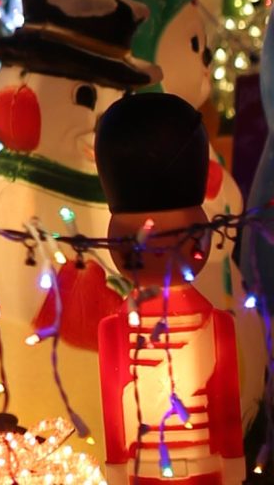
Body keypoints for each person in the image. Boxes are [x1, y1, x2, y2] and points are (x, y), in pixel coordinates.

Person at [95, 91, 245, 485]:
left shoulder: (216, 326)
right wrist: (116, 463)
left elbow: (226, 402)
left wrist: (232, 458)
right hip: (143, 470)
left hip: (204, 469)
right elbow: (114, 403)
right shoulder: (115, 330)